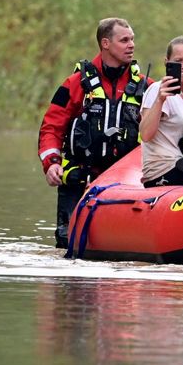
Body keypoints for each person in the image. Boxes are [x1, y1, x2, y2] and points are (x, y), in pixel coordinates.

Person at [37, 17, 148, 248]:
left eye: (132, 39)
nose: (131, 45)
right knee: (69, 245)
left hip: (125, 183)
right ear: (105, 43)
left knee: (124, 246)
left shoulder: (145, 87)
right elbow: (51, 127)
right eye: (124, 40)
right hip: (80, 180)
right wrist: (52, 163)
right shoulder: (76, 83)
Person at [139, 35, 183, 187]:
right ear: (167, 63)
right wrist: (160, 100)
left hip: (182, 164)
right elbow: (145, 135)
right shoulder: (157, 89)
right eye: (178, 61)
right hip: (161, 170)